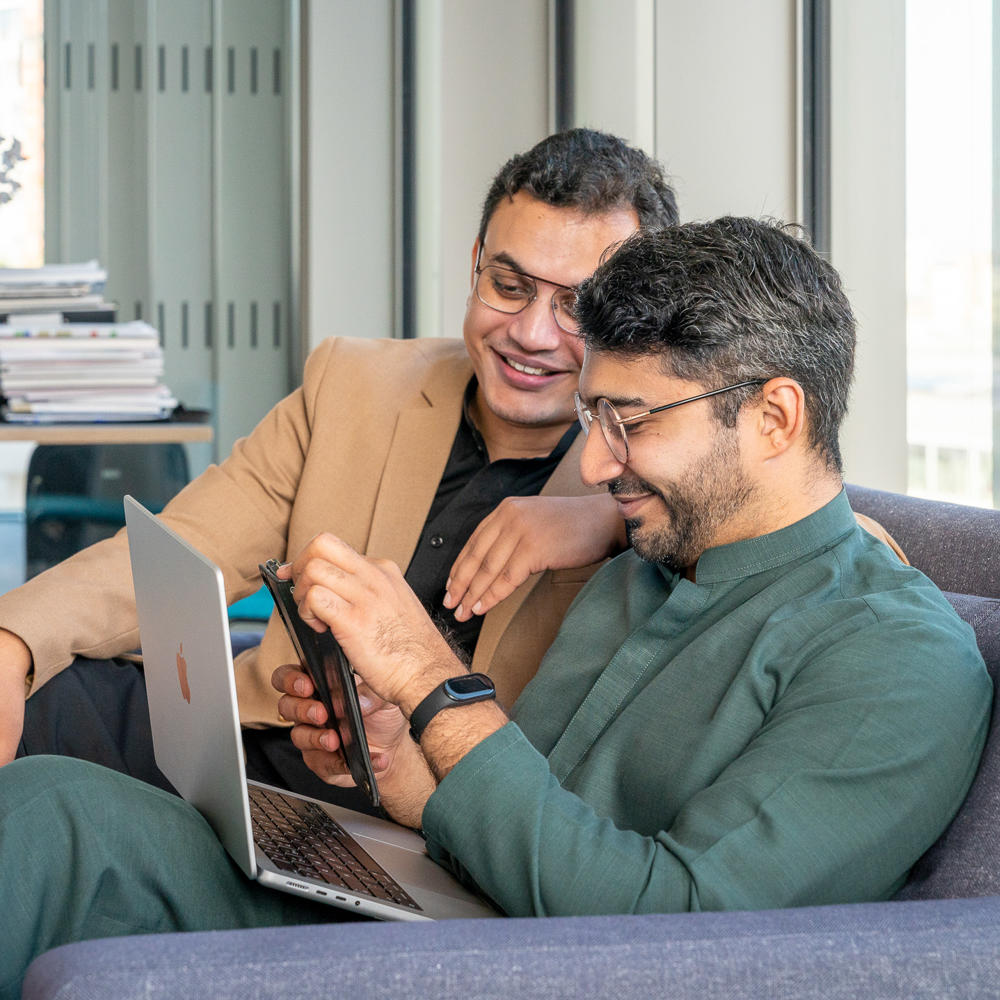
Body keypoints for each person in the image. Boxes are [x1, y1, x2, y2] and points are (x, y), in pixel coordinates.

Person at [0, 218, 987, 996]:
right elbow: (531, 817)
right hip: (446, 907)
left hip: (519, 970)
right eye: (592, 418)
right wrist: (402, 771)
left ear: (774, 416)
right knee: (56, 805)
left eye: (629, 423)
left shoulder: (895, 660)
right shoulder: (645, 567)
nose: (593, 467)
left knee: (53, 835)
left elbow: (683, 931)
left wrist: (430, 677)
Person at [0, 128, 680, 797]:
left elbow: (736, 544)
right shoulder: (353, 383)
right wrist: (13, 641)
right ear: (476, 263)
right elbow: (184, 550)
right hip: (253, 747)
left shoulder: (661, 465)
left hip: (436, 815)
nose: (530, 334)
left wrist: (609, 519)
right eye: (508, 285)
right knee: (36, 698)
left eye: (577, 306)